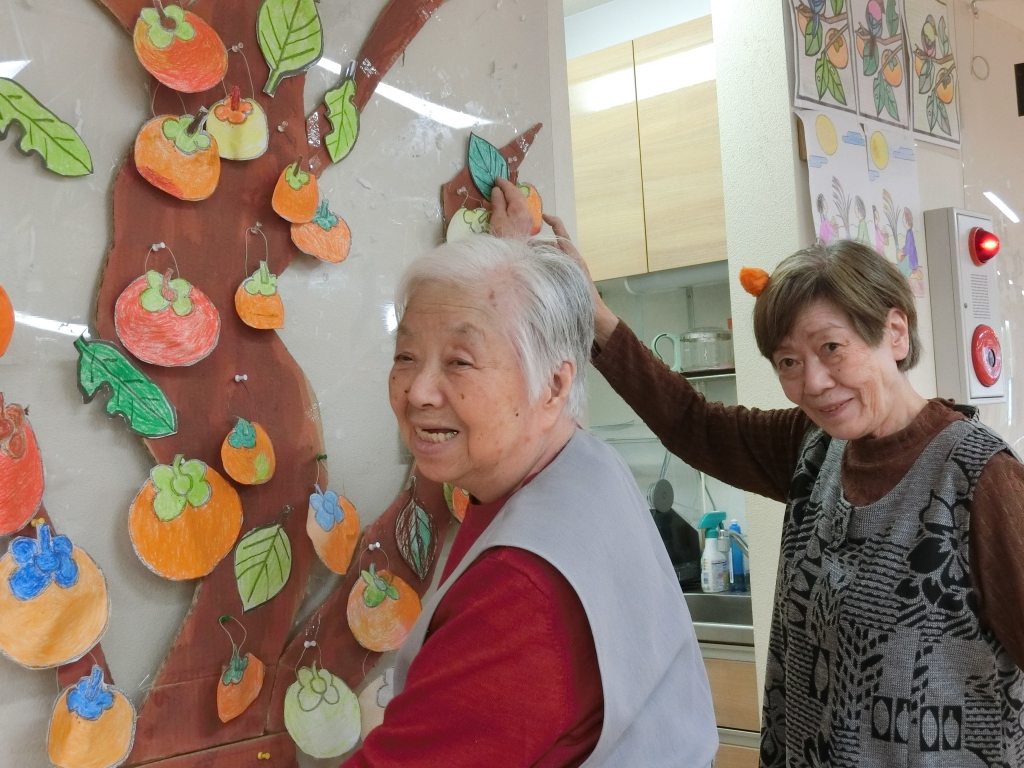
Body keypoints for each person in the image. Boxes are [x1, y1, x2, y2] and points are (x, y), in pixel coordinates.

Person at [489, 181, 1024, 766]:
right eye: (789, 363)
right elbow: (692, 422)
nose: (813, 383)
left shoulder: (979, 477)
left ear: (894, 333)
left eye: (832, 348)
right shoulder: (813, 448)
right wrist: (591, 311)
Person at [342, 232, 717, 767]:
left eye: (460, 362)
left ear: (554, 386)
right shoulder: (584, 464)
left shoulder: (522, 587)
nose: (418, 391)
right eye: (405, 355)